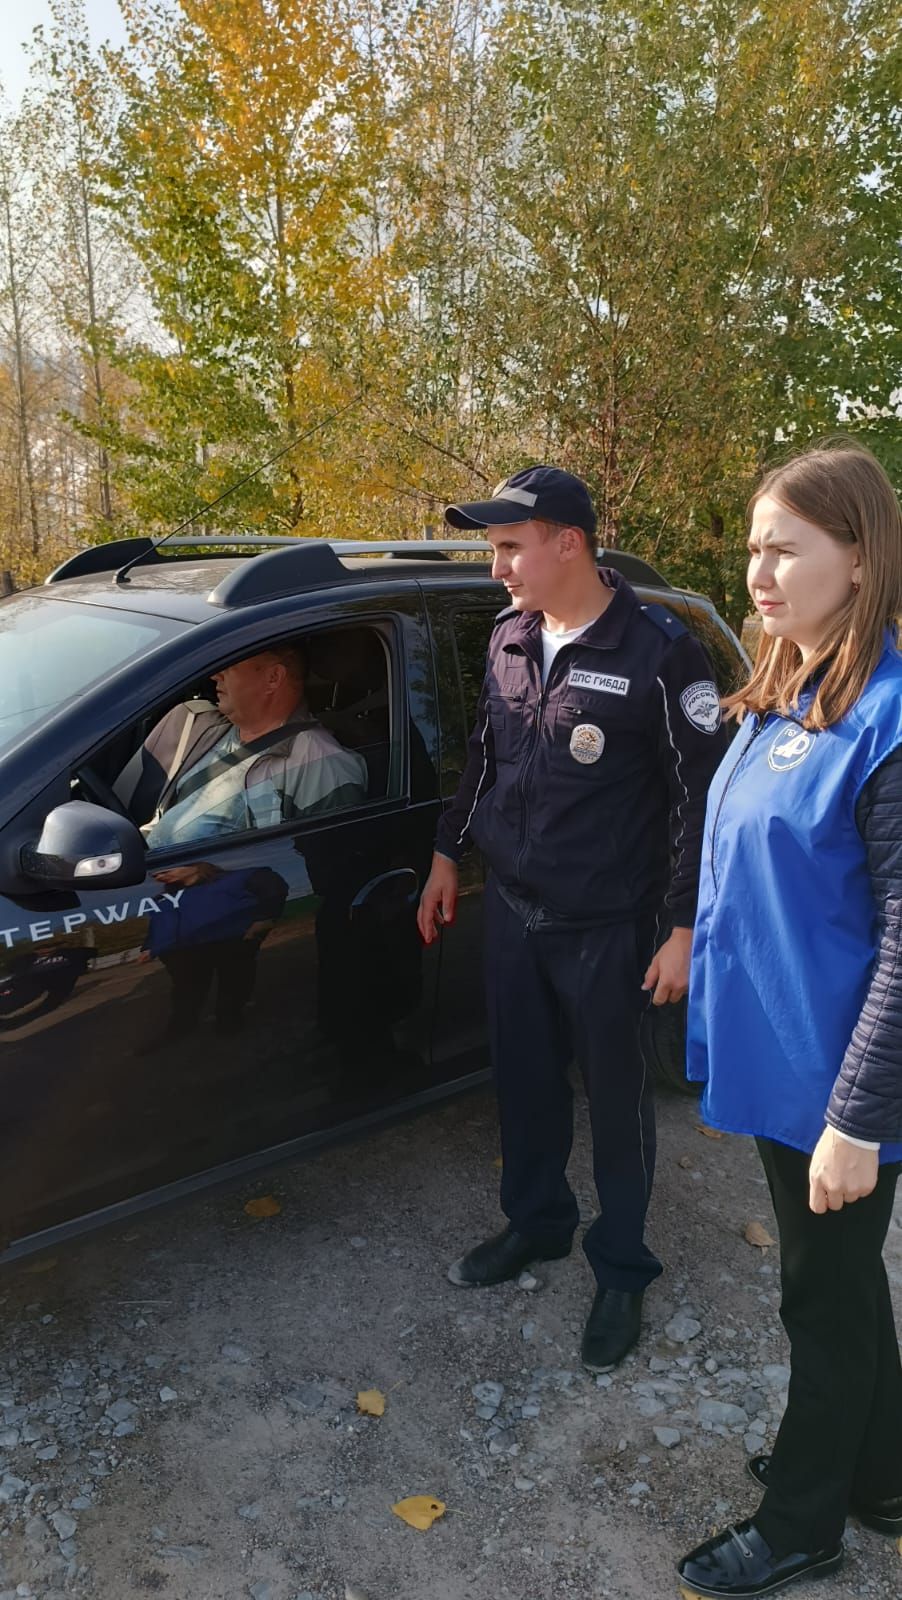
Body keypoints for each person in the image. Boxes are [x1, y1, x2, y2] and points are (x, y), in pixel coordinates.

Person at [417, 465, 727, 1369]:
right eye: (496, 551)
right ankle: (538, 1224)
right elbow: (484, 755)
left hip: (611, 929)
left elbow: (697, 802)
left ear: (569, 544)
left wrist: (681, 928)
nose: (498, 570)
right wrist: (447, 850)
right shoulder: (511, 638)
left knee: (619, 1104)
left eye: (511, 548)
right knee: (524, 1085)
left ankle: (623, 1269)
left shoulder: (661, 651)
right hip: (515, 912)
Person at [677, 441, 902, 1599]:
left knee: (817, 1297)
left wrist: (858, 1117)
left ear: (855, 559)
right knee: (845, 1281)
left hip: (836, 1081)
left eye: (783, 547)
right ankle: (879, 1475)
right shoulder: (783, 686)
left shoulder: (887, 718)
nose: (755, 568)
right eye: (752, 544)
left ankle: (803, 1520)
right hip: (779, 1057)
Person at [115, 643, 368, 848]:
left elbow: (323, 870)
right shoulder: (202, 728)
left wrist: (207, 872)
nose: (215, 674)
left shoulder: (320, 763)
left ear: (273, 678)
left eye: (232, 664)